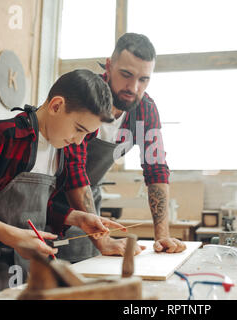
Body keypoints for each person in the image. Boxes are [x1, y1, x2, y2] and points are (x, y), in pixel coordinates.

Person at [0, 69, 126, 300]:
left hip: (30, 269)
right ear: (56, 106)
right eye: (79, 129)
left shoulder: (60, 151)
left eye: (87, 134)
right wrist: (11, 236)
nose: (79, 141)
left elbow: (34, 208)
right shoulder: (2, 137)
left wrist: (75, 217)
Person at [56, 33, 187, 262]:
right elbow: (73, 171)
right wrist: (103, 241)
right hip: (46, 196)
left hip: (88, 202)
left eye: (143, 79)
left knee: (85, 275)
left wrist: (162, 236)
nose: (133, 87)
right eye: (126, 75)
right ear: (109, 65)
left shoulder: (144, 110)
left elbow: (156, 169)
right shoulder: (83, 95)